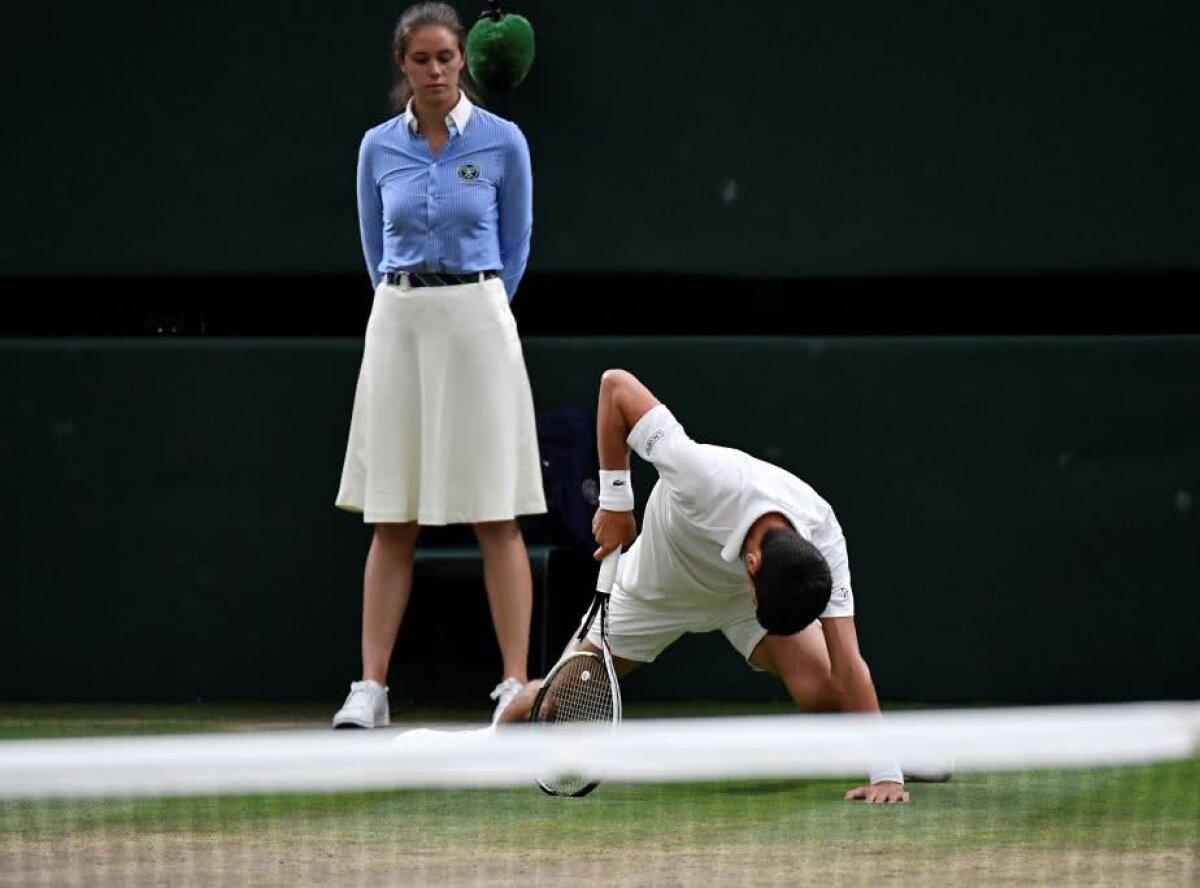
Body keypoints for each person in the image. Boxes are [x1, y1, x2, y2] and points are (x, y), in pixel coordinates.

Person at [497, 368, 920, 803]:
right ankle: (500, 722)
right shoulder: (704, 477)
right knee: (556, 708)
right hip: (654, 590)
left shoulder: (822, 531)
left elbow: (848, 663)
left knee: (828, 695)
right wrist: (617, 502)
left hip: (737, 596)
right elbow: (615, 386)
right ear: (753, 564)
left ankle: (893, 751)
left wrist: (886, 774)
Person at [332, 2, 545, 730]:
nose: (434, 71)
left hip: (479, 321)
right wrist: (412, 303)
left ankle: (515, 683)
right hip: (398, 322)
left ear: (465, 62)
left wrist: (475, 308)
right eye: (420, 59)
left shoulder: (504, 142)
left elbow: (515, 244)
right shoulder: (375, 148)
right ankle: (371, 688)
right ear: (403, 65)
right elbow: (372, 246)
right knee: (392, 516)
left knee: (496, 511)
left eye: (445, 58)